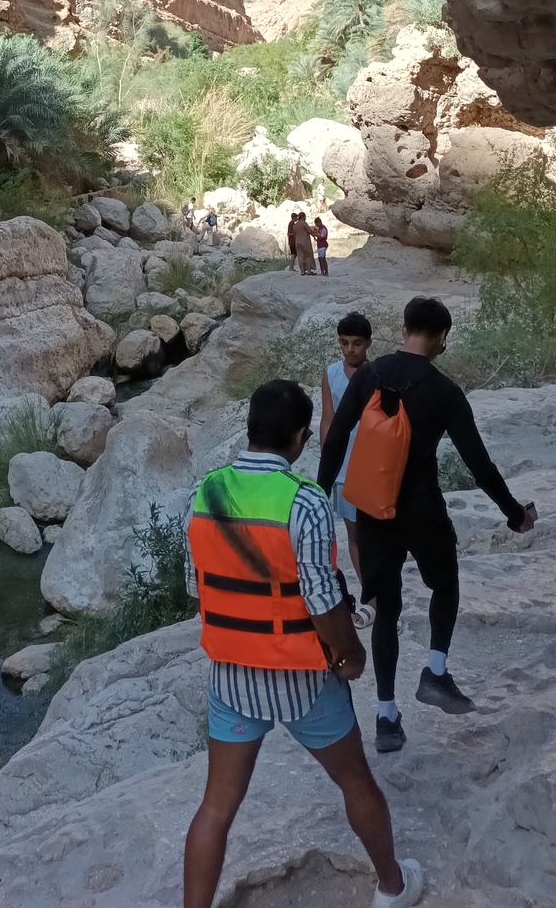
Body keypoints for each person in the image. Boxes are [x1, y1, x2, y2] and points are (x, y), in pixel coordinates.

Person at [183, 379, 424, 908]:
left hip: (233, 677)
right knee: (356, 781)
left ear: (249, 430)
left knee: (215, 808)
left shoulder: (206, 491)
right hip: (304, 678)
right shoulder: (306, 501)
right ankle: (391, 886)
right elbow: (319, 601)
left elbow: (193, 586)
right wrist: (351, 658)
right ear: (299, 437)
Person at [318, 296, 537, 755]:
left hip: (373, 514)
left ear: (403, 329)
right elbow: (478, 464)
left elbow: (336, 440)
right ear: (440, 338)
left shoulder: (369, 375)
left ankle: (385, 716)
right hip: (422, 511)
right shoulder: (443, 390)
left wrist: (321, 499)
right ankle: (435, 672)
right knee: (446, 585)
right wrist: (514, 514)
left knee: (386, 609)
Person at [320, 312, 375, 629]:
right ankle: (373, 600)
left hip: (373, 466)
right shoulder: (331, 373)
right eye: (344, 343)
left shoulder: (378, 374)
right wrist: (328, 465)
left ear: (368, 343)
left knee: (376, 537)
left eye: (356, 343)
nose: (350, 350)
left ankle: (379, 599)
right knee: (354, 534)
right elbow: (328, 419)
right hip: (343, 468)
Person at [292, 211, 319, 276]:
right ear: (303, 217)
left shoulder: (294, 225)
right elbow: (309, 231)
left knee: (300, 257)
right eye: (305, 217)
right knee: (308, 255)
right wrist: (315, 237)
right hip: (305, 242)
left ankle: (302, 272)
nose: (305, 218)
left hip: (297, 242)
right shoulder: (304, 223)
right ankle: (309, 271)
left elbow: (294, 234)